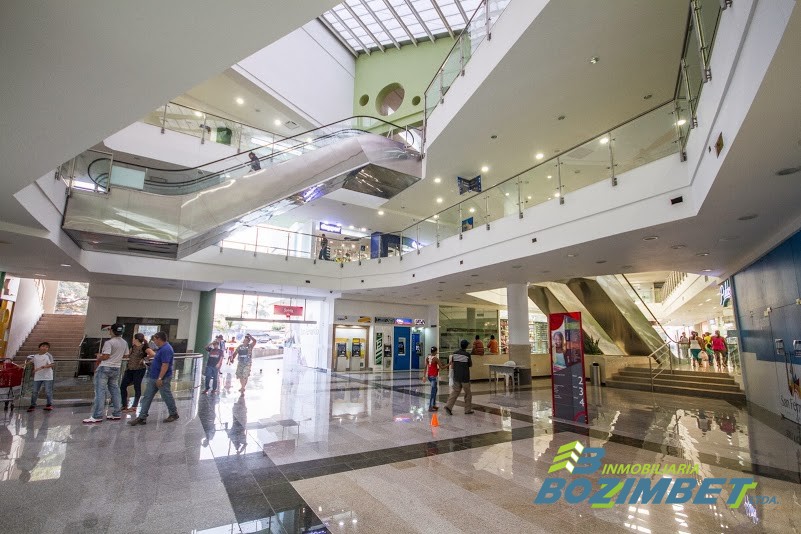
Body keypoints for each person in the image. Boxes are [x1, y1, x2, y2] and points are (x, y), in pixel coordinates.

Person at [129, 331, 179, 425]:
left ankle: (173, 413)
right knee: (147, 397)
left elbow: (165, 365)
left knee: (166, 396)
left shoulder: (166, 349)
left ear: (159, 339)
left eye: (155, 339)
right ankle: (142, 417)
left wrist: (160, 378)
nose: (154, 341)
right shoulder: (161, 349)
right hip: (154, 377)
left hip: (162, 378)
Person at [83, 324, 129, 424]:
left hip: (105, 368)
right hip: (116, 368)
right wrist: (116, 357)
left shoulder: (109, 342)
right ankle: (117, 413)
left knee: (100, 391)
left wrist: (99, 356)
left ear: (112, 331)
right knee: (115, 390)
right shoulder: (124, 342)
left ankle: (97, 415)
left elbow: (106, 356)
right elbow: (126, 355)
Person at [120, 333, 151, 412]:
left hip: (139, 369)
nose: (133, 340)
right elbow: (128, 355)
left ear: (136, 339)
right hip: (130, 369)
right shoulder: (133, 347)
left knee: (137, 387)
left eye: (134, 338)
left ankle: (134, 406)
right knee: (123, 386)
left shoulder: (144, 347)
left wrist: (144, 359)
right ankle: (124, 405)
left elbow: (153, 354)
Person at [444, 340, 473, 415]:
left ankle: (448, 406)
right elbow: (470, 364)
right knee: (468, 393)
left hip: (456, 376)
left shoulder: (455, 353)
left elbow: (453, 363)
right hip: (465, 377)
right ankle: (467, 410)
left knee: (455, 391)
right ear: (466, 346)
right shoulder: (467, 354)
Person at [26, 342, 55, 412]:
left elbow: (52, 364)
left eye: (46, 347)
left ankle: (49, 404)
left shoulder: (48, 355)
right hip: (38, 376)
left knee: (48, 391)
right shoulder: (35, 356)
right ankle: (32, 405)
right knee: (34, 391)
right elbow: (30, 362)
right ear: (39, 347)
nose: (45, 348)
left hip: (47, 376)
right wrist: (21, 365)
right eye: (43, 346)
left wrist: (43, 366)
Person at [422, 347, 441, 412]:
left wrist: (424, 376)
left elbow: (425, 367)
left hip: (429, 376)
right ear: (435, 351)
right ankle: (430, 407)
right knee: (433, 392)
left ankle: (433, 405)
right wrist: (449, 364)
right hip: (433, 377)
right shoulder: (435, 358)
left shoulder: (428, 358)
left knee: (435, 390)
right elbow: (442, 367)